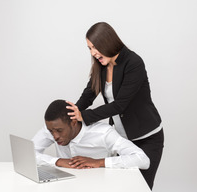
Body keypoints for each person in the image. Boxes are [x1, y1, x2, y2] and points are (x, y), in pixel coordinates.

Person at [66, 22, 164, 189]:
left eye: (95, 47)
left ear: (107, 42)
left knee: (140, 187)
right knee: (119, 187)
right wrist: (71, 114)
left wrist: (84, 116)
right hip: (122, 140)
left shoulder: (133, 63)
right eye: (89, 48)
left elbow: (120, 105)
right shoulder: (102, 65)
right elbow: (89, 93)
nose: (93, 53)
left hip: (147, 139)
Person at [32, 99, 150, 170]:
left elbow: (142, 160)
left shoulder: (103, 133)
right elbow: (27, 154)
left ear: (73, 122)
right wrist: (58, 161)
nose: (55, 136)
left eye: (59, 131)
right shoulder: (52, 129)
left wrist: (98, 162)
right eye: (51, 131)